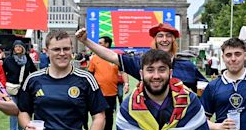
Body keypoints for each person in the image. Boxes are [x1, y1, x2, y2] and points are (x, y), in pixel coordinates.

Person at [76, 23, 207, 92]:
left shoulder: (188, 67)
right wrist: (86, 41)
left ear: (174, 40)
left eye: (168, 36)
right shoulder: (143, 63)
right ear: (154, 40)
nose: (164, 39)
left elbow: (208, 89)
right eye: (160, 36)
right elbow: (111, 56)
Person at [89, 36, 128, 130]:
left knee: (109, 116)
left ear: (107, 44)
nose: (98, 45)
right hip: (98, 93)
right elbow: (90, 74)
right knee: (98, 116)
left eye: (100, 43)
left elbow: (123, 71)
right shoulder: (94, 58)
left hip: (111, 92)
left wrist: (126, 83)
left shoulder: (114, 58)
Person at [3, 40, 37, 130]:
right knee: (13, 110)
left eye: (20, 46)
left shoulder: (28, 60)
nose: (18, 48)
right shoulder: (8, 60)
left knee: (22, 110)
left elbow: (34, 72)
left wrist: (31, 84)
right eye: (16, 47)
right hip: (12, 88)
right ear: (13, 48)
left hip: (24, 89)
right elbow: (2, 73)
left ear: (23, 48)